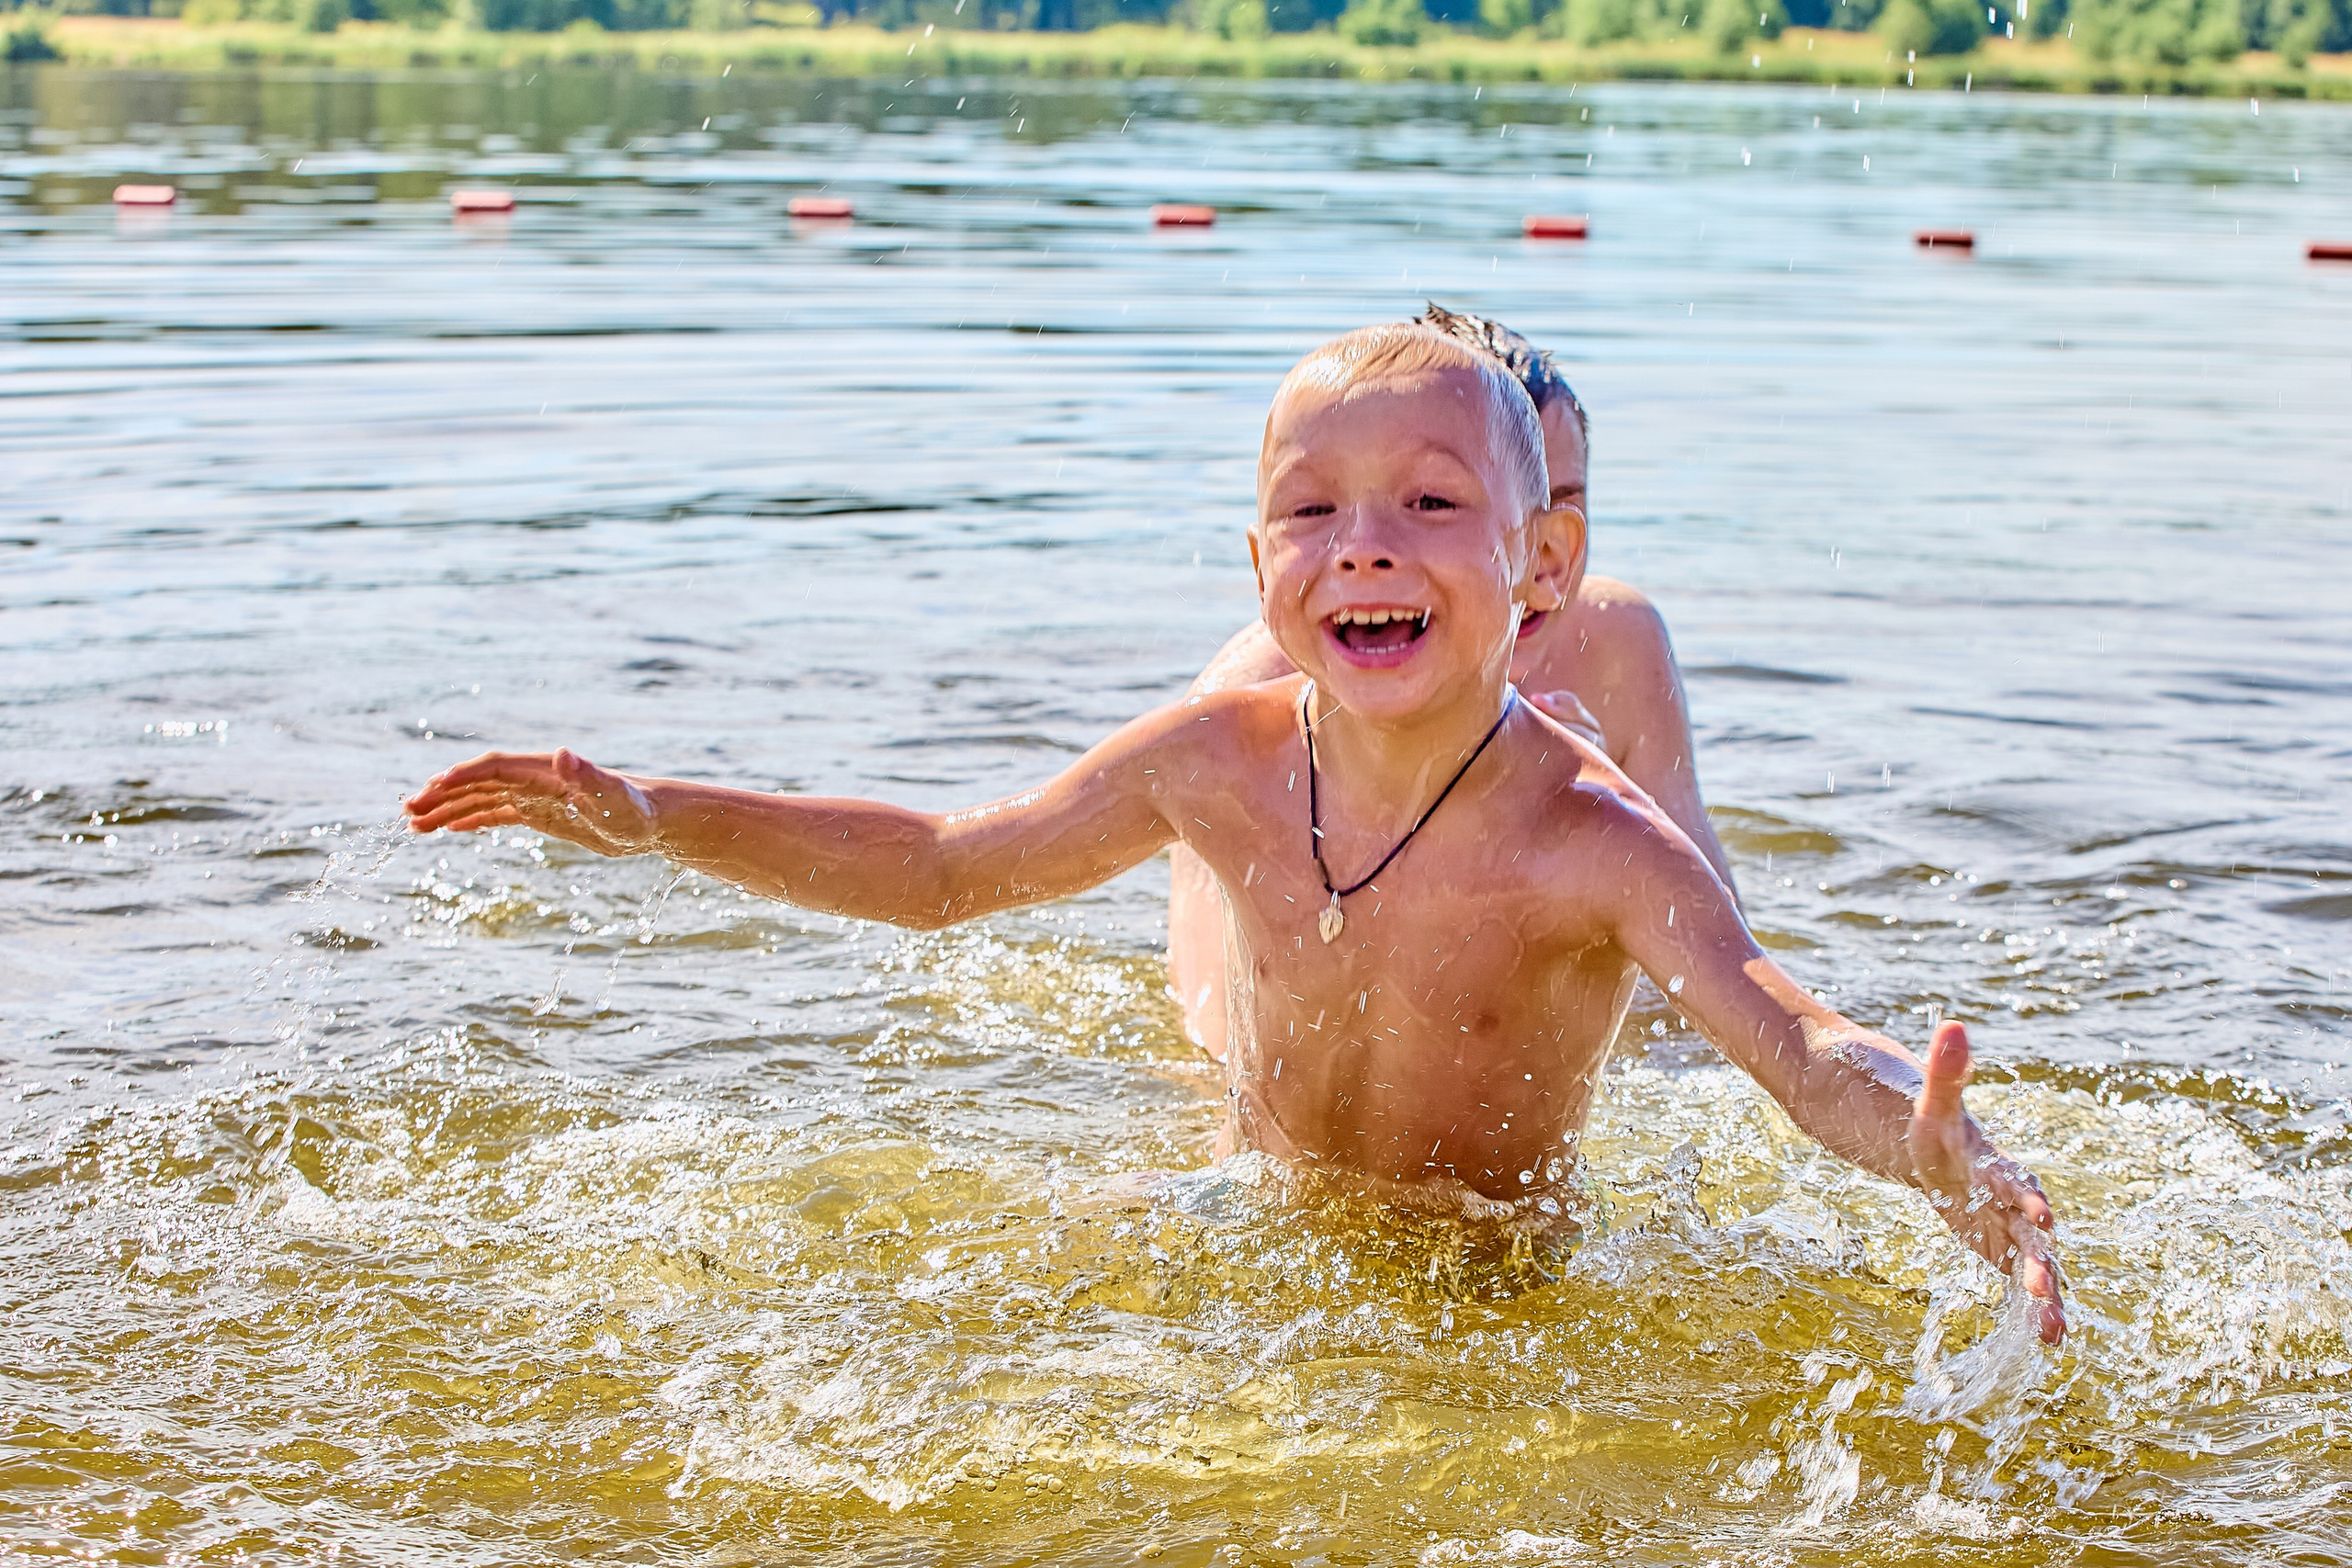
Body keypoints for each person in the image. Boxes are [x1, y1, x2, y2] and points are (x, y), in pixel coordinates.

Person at [404, 323, 2066, 1343]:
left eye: (1428, 504)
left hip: (1504, 1301)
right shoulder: (1215, 755)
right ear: (1256, 561)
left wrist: (1924, 1145)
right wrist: (657, 816)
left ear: (1541, 568)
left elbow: (1788, 1034)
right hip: (1249, 1235)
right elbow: (939, 866)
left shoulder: (1596, 844)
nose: (1363, 547)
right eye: (1311, 510)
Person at [1168, 303, 1731, 1063]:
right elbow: (1219, 1027)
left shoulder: (1618, 646)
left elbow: (1714, 959)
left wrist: (1593, 826)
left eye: (1561, 508)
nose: (1529, 564)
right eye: (1439, 506)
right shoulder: (1274, 687)